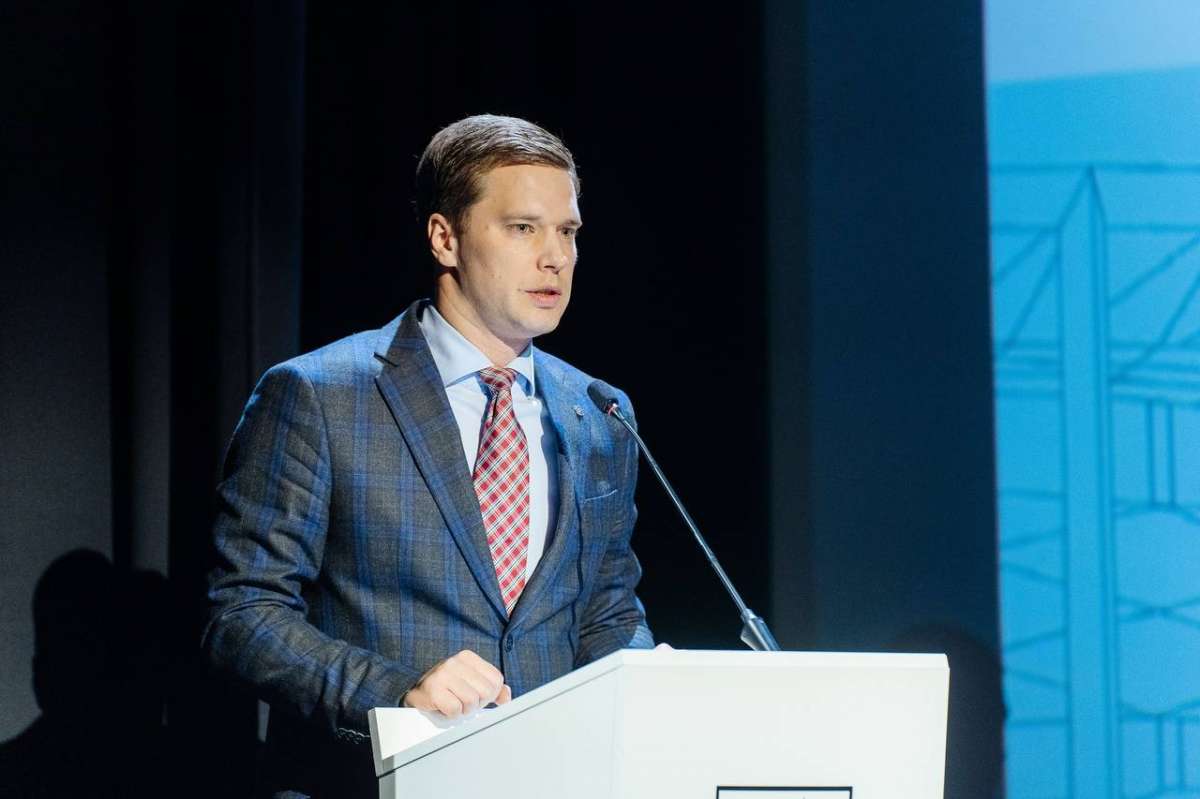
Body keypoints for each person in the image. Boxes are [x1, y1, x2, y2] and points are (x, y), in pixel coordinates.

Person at [202, 114, 655, 797]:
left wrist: (646, 690)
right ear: (446, 237)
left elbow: (608, 614)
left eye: (567, 232)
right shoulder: (320, 395)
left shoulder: (599, 413)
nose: (555, 258)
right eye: (523, 228)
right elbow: (243, 616)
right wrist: (398, 691)